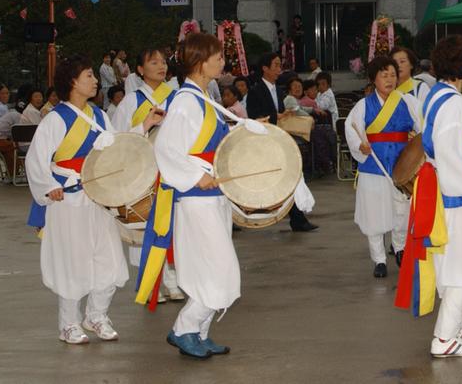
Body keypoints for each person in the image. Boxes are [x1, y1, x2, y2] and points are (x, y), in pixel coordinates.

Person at [138, 33, 239, 359]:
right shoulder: (185, 101)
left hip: (211, 196)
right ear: (199, 61)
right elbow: (167, 150)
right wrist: (197, 176)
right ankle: (184, 328)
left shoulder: (202, 96)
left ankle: (200, 333)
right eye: (218, 56)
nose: (222, 61)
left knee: (210, 269)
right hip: (196, 198)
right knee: (220, 268)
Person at [395, 35, 462, 358]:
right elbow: (452, 157)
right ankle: (445, 338)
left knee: (453, 263)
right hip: (453, 195)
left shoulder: (436, 95)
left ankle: (454, 329)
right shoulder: (453, 104)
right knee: (460, 266)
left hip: (440, 190)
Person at [25, 55, 128, 345]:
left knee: (108, 258)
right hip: (67, 200)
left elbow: (116, 148)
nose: (95, 81)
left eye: (94, 75)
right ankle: (68, 324)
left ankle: (97, 315)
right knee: (73, 261)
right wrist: (48, 186)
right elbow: (36, 159)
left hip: (97, 197)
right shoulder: (56, 118)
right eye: (89, 75)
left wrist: (142, 127)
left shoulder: (100, 115)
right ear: (72, 82)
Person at [109, 46, 183, 302]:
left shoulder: (176, 98)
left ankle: (172, 281)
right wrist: (144, 125)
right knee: (143, 229)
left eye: (163, 62)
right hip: (142, 173)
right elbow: (117, 140)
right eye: (153, 63)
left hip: (171, 171)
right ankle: (149, 282)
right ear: (140, 70)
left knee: (172, 225)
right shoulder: (131, 101)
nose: (161, 67)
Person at [344, 56, 421, 277]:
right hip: (373, 166)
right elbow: (351, 128)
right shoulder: (363, 105)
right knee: (374, 214)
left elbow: (424, 126)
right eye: (383, 75)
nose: (389, 79)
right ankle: (378, 260)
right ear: (373, 79)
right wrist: (360, 145)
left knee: (401, 212)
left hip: (401, 166)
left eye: (393, 75)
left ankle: (400, 248)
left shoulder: (408, 102)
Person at [245, 52, 318, 232]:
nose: (279, 69)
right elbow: (254, 117)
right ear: (265, 68)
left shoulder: (277, 90)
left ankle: (297, 217)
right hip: (264, 142)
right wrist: (274, 117)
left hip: (278, 139)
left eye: (280, 65)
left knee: (291, 176)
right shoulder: (255, 91)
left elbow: (276, 113)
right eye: (276, 65)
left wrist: (282, 116)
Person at [0, 105, 21, 177]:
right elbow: (18, 135)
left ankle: (12, 174)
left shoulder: (11, 114)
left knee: (11, 149)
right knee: (14, 147)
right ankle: (26, 170)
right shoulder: (17, 116)